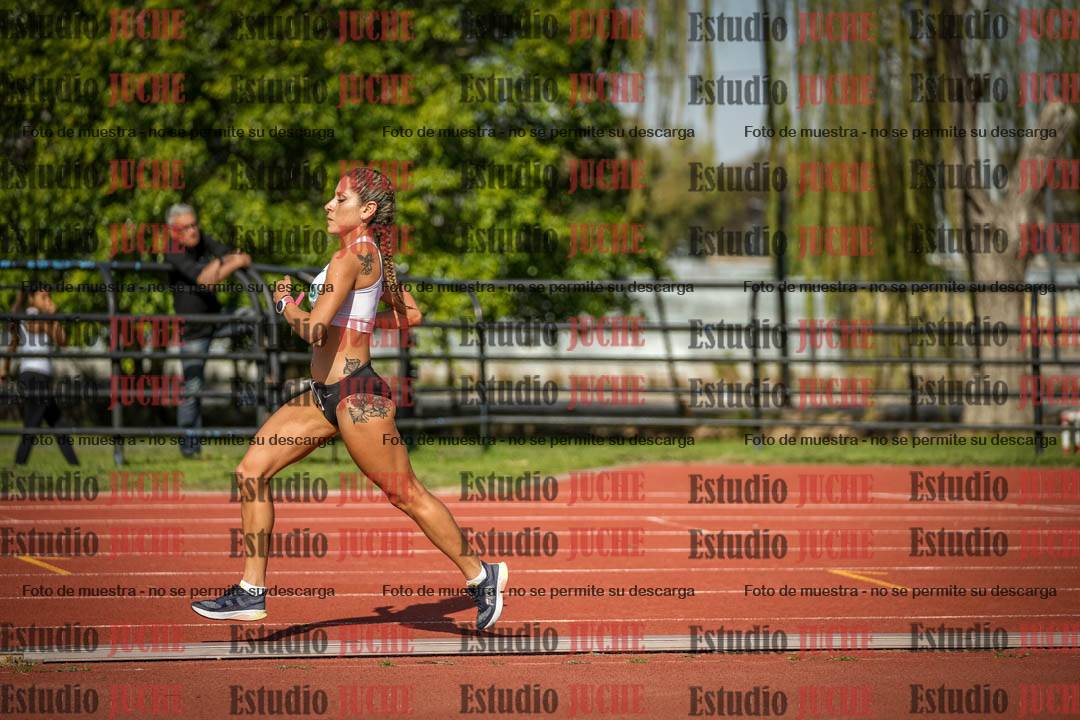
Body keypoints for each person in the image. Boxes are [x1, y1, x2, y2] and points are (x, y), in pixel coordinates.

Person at [190, 167, 509, 630]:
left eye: (340, 199)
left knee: (404, 493)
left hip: (356, 396)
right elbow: (411, 314)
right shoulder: (369, 255)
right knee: (251, 472)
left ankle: (482, 576)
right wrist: (357, 325)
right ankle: (250, 592)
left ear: (367, 210)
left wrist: (284, 303)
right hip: (324, 395)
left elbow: (312, 330)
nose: (329, 205)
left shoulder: (350, 258)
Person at [163, 203, 253, 457]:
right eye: (186, 227)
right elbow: (205, 280)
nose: (193, 231)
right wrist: (229, 262)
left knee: (255, 318)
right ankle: (189, 448)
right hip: (193, 329)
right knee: (192, 388)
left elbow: (234, 255)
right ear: (173, 231)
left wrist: (224, 261)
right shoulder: (172, 251)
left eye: (194, 225)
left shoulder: (201, 238)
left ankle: (268, 374)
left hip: (218, 318)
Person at [4, 279, 79, 466]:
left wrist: (55, 317)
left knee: (56, 422)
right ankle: (18, 464)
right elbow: (22, 338)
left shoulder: (39, 317)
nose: (48, 301)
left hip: (38, 377)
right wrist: (52, 317)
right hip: (33, 377)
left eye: (49, 297)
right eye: (43, 297)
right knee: (32, 425)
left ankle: (74, 464)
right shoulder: (30, 317)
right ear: (32, 298)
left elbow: (62, 342)